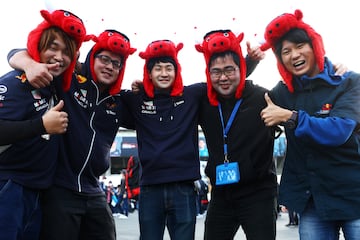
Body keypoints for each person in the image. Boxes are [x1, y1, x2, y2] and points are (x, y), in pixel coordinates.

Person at [126, 38, 263, 240]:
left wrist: (250, 61)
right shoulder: (136, 100)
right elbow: (106, 93)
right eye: (157, 69)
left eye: (169, 68)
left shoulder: (192, 95)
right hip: (150, 189)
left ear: (177, 70)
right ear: (148, 73)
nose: (164, 73)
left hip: (183, 189)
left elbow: (222, 80)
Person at [7, 29, 136, 240]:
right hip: (60, 188)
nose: (109, 67)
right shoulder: (68, 82)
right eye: (104, 59)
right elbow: (15, 53)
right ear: (92, 57)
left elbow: (152, 108)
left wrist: (142, 88)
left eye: (116, 63)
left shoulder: (120, 102)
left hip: (94, 190)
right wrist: (30, 65)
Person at [260, 9, 360, 239]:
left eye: (299, 46)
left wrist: (290, 117)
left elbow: (339, 130)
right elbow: (239, 94)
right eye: (285, 51)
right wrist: (249, 61)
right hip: (312, 200)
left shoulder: (349, 82)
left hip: (353, 194)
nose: (294, 55)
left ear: (314, 45)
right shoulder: (282, 93)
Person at [0, 9, 86, 239]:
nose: (59, 56)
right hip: (9, 186)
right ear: (38, 46)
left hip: (39, 191)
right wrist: (41, 125)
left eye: (67, 51)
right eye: (53, 48)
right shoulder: (15, 82)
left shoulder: (56, 84)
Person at [195, 29, 279, 240]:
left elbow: (298, 92)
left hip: (258, 192)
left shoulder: (263, 97)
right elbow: (171, 95)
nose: (223, 77)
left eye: (229, 70)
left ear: (241, 70)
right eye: (216, 72)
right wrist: (143, 90)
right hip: (222, 194)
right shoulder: (203, 100)